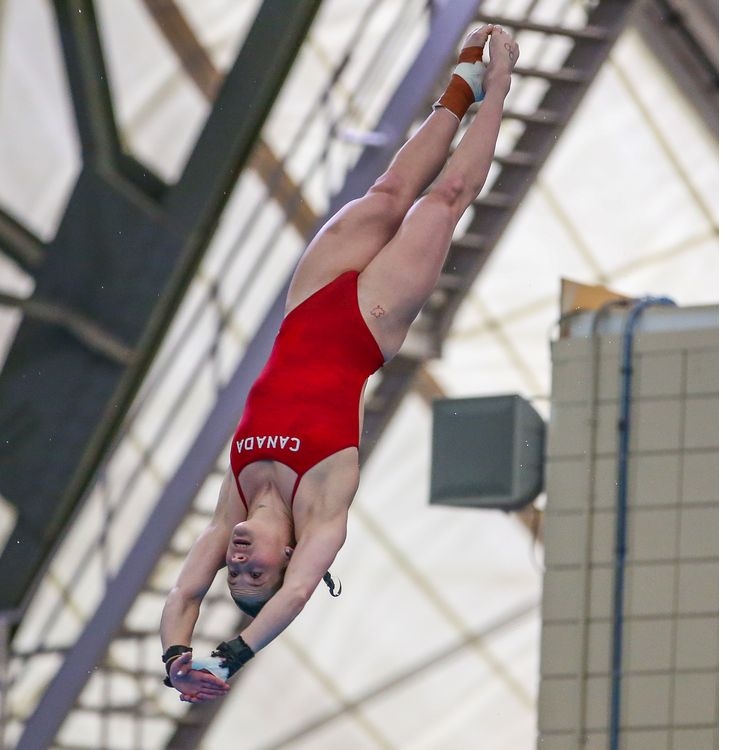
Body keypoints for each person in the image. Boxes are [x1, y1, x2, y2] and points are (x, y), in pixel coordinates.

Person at [159, 25, 520, 703]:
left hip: (310, 299)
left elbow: (183, 591)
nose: (237, 563)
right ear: (287, 557)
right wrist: (231, 659)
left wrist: (177, 656)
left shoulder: (230, 503)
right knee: (441, 202)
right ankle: (499, 85)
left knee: (386, 192)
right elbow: (296, 597)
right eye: (251, 575)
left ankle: (460, 85)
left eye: (232, 574)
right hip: (369, 321)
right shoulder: (322, 510)